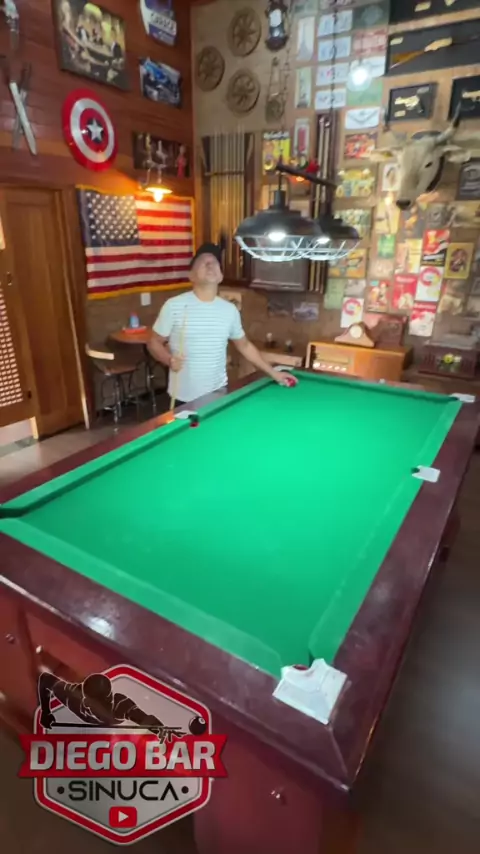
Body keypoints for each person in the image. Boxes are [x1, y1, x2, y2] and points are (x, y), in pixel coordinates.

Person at [148, 243, 298, 406]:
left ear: (220, 276)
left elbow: (245, 346)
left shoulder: (229, 310)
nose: (210, 265)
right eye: (203, 262)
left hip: (218, 393)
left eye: (214, 263)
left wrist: (274, 373)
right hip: (183, 397)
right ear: (191, 275)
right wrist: (169, 360)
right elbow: (154, 342)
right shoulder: (174, 305)